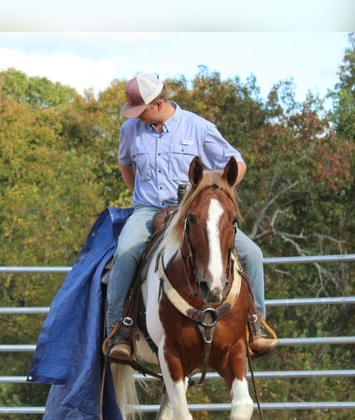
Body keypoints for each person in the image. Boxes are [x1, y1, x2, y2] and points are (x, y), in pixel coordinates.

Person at [104, 72, 278, 362]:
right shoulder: (129, 130)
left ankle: (255, 325)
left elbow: (237, 162)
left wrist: (220, 194)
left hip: (192, 210)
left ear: (159, 103)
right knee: (125, 252)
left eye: (142, 110)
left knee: (253, 254)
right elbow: (126, 164)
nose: (138, 117)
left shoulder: (197, 127)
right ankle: (118, 331)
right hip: (148, 210)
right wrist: (139, 193)